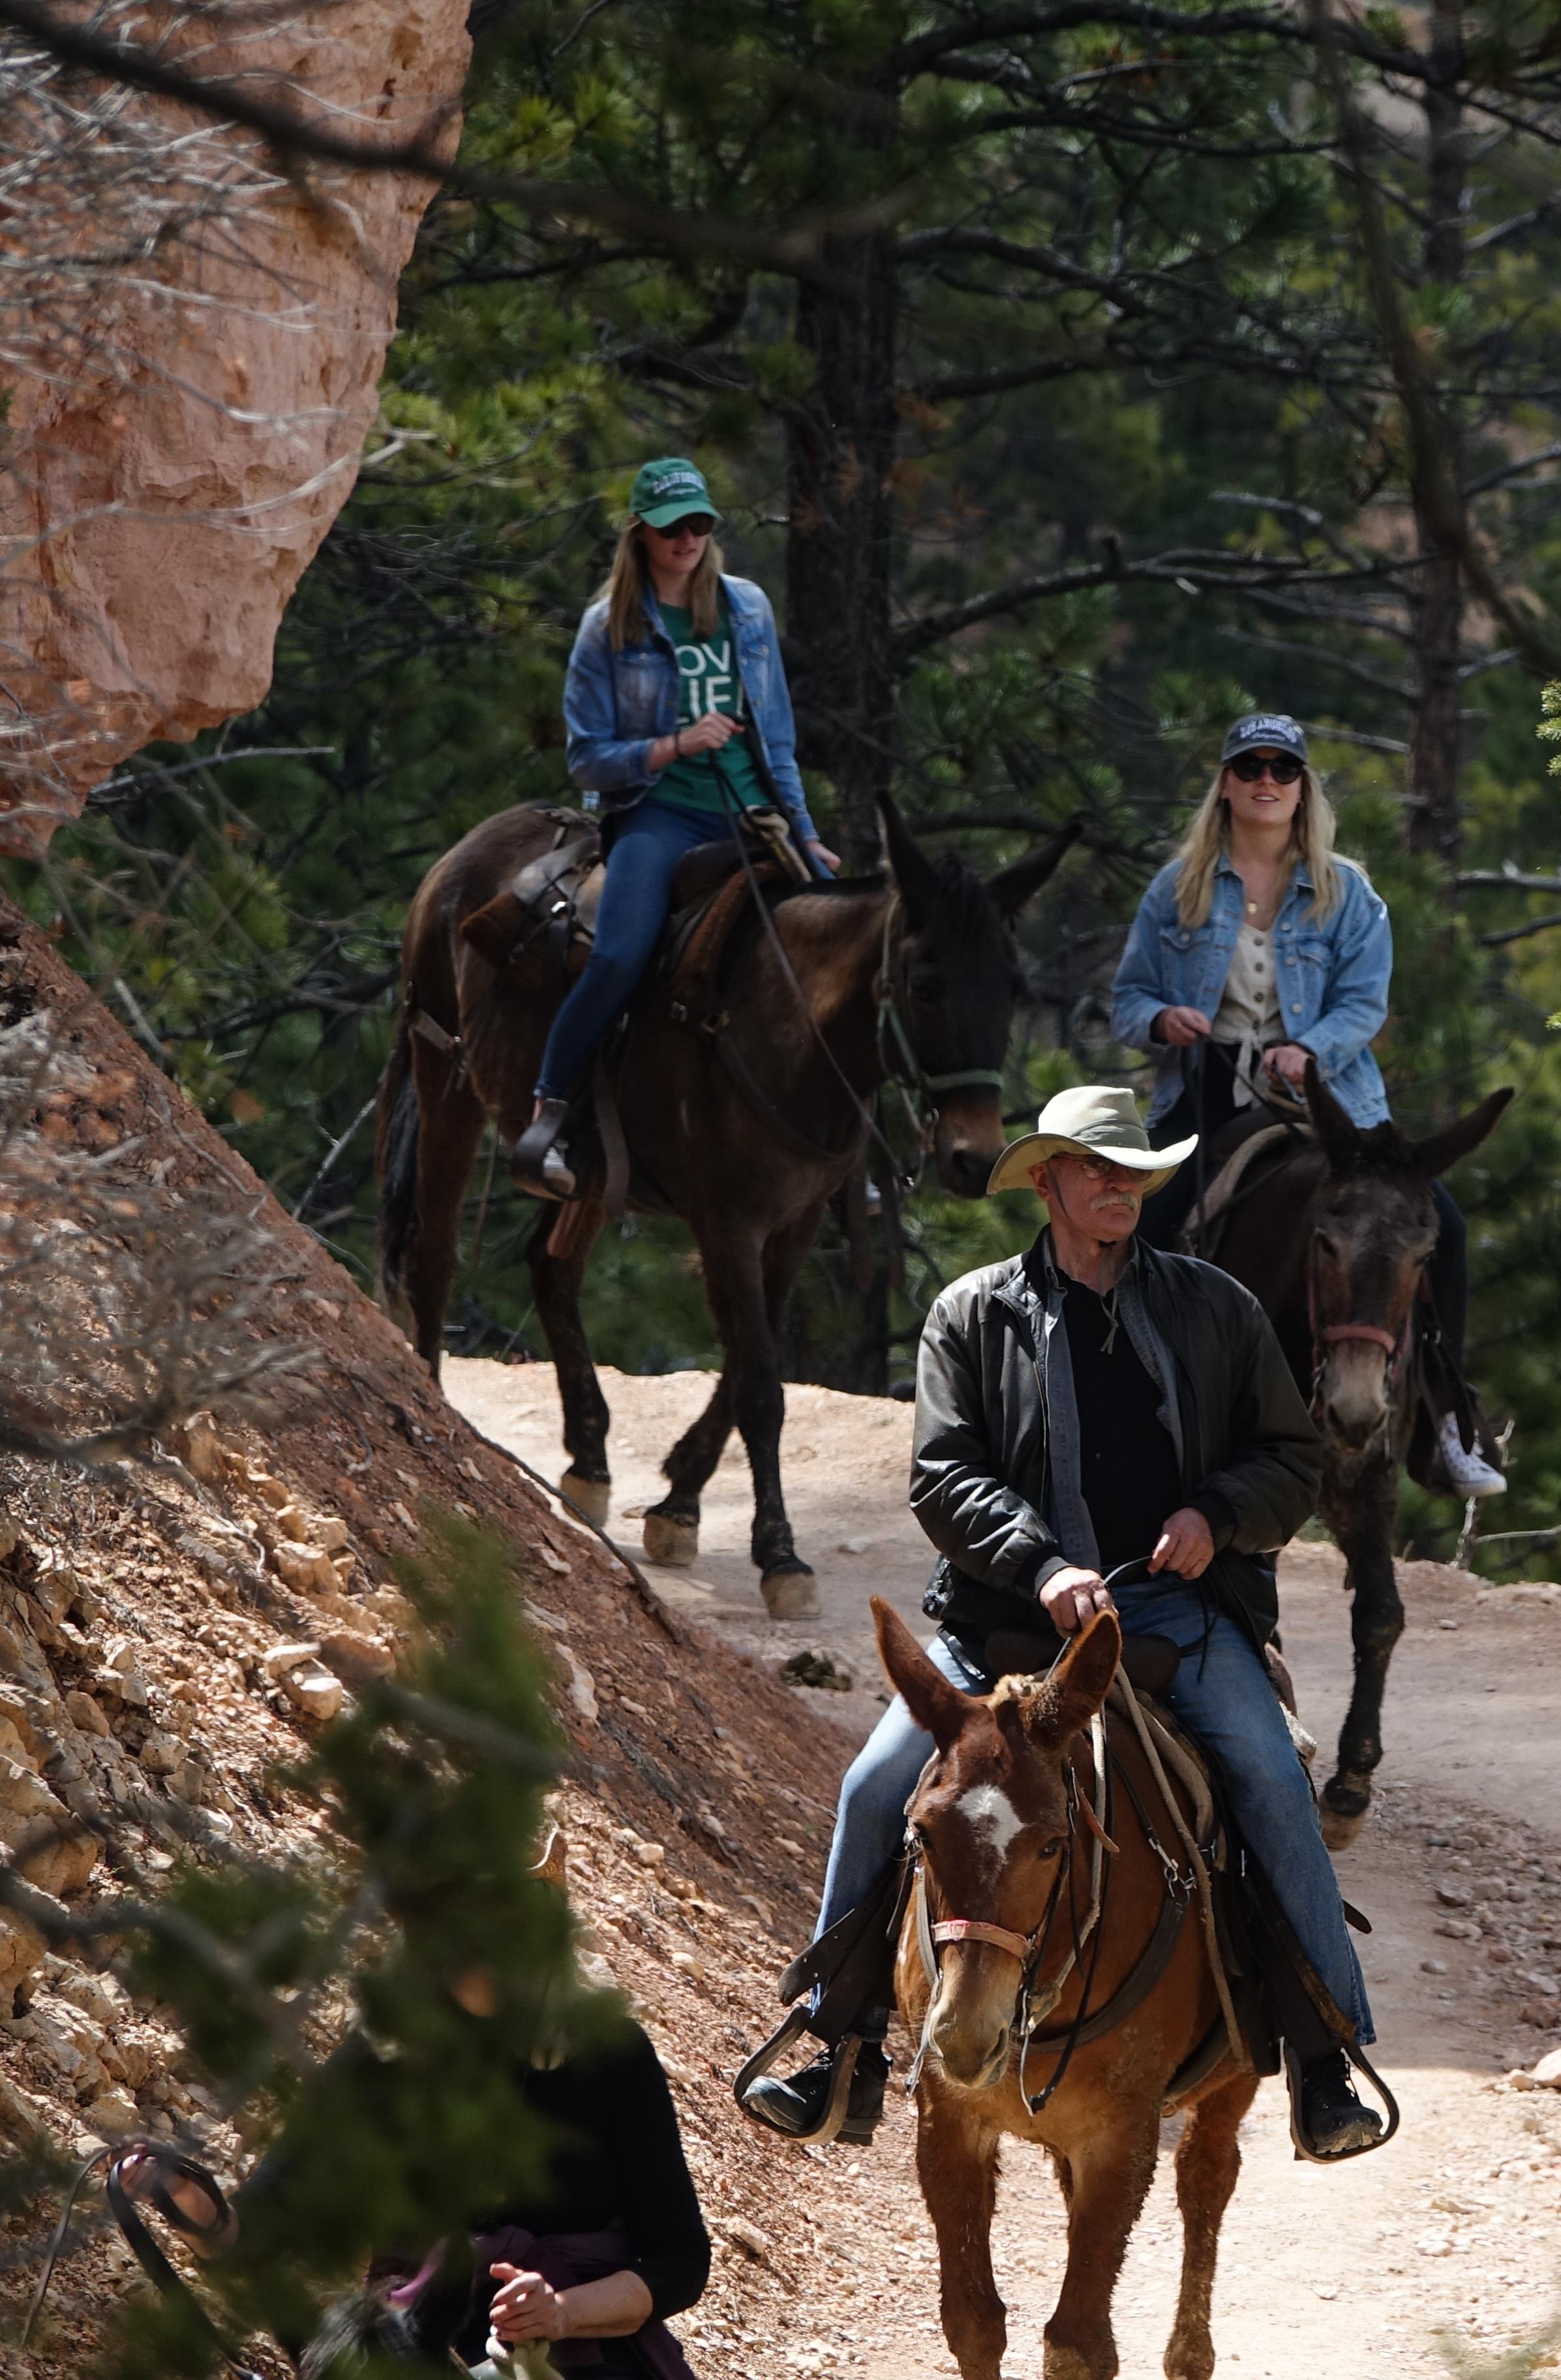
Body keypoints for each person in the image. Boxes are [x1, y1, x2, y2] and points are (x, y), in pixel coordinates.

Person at [745, 1084, 1387, 2160]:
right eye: (1095, 1169)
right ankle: (836, 2041)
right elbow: (941, 1474)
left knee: (1272, 1782)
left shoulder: (1214, 1307)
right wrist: (1038, 1564)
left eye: (1131, 1170)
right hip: (1004, 1618)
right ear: (1045, 1180)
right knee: (872, 1787)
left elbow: (1290, 1456)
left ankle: (1325, 2054)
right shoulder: (969, 1313)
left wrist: (1215, 1514)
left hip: (1169, 1610)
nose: (1117, 1188)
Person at [116, 1841, 710, 2378]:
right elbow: (257, 2232)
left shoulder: (612, 2054)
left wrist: (560, 2312)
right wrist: (188, 2202)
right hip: (407, 2345)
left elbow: (679, 2258)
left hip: (581, 2346)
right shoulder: (382, 2053)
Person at [1112, 710, 1507, 1496]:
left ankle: (1451, 1426)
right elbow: (1130, 996)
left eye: (1282, 771)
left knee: (1446, 1229)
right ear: (1225, 784)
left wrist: (1312, 1047)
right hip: (1208, 1091)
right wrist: (1162, 1019)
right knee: (1132, 1226)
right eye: (1250, 767)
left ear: (1303, 788)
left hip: (1332, 1103)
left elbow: (1366, 1003)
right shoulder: (1178, 887)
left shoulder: (1347, 891)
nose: (1267, 782)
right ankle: (1113, 1412)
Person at [511, 457, 840, 1199]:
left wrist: (804, 830)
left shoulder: (748, 607)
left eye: (700, 524)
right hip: (660, 811)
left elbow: (777, 739)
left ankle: (862, 1149)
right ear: (640, 535)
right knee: (620, 954)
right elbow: (587, 761)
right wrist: (674, 744)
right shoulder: (608, 629)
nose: (688, 538)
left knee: (853, 952)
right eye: (671, 528)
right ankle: (549, 1114)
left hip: (753, 810)